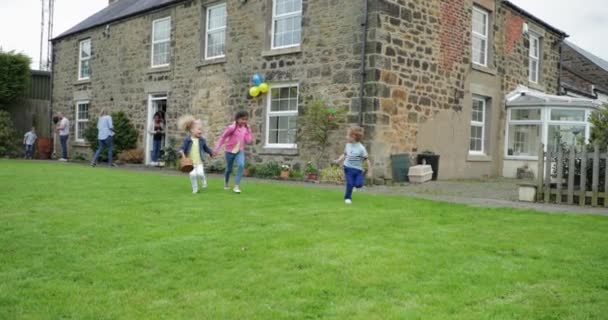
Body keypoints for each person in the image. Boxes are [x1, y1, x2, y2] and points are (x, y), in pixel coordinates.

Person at [214, 111, 253, 194]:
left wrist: (249, 130)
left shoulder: (245, 128)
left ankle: (236, 186)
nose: (244, 121)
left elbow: (248, 140)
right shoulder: (231, 128)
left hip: (239, 151)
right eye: (242, 119)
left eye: (246, 119)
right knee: (229, 169)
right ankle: (226, 182)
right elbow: (222, 138)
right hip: (229, 151)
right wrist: (216, 149)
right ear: (237, 119)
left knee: (241, 165)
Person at [334, 126, 372, 205]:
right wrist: (338, 160)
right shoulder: (347, 145)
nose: (346, 137)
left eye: (348, 135)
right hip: (347, 168)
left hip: (358, 170)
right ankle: (347, 198)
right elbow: (344, 154)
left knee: (359, 184)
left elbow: (367, 160)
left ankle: (354, 186)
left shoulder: (361, 148)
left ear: (353, 137)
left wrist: (369, 171)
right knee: (350, 183)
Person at [178, 115, 214, 194]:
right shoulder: (187, 140)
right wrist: (181, 152)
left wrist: (211, 152)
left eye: (201, 129)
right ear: (191, 130)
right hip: (190, 163)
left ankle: (203, 181)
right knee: (193, 175)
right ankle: (195, 189)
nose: (200, 131)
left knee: (200, 174)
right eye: (198, 129)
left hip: (199, 162)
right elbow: (182, 148)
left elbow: (206, 148)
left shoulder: (202, 140)